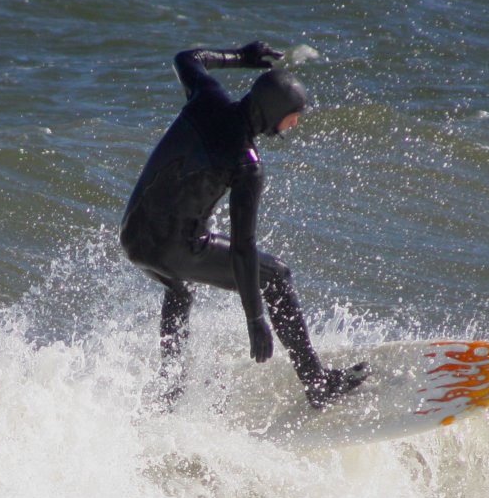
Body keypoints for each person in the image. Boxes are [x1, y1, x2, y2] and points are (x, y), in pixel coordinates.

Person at [121, 40, 366, 409]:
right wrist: (255, 317)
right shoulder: (246, 163)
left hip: (133, 236)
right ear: (275, 112)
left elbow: (187, 58)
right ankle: (317, 384)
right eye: (294, 114)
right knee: (277, 276)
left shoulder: (206, 98)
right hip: (174, 246)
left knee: (179, 289)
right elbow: (242, 247)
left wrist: (241, 58)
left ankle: (170, 387)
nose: (295, 123)